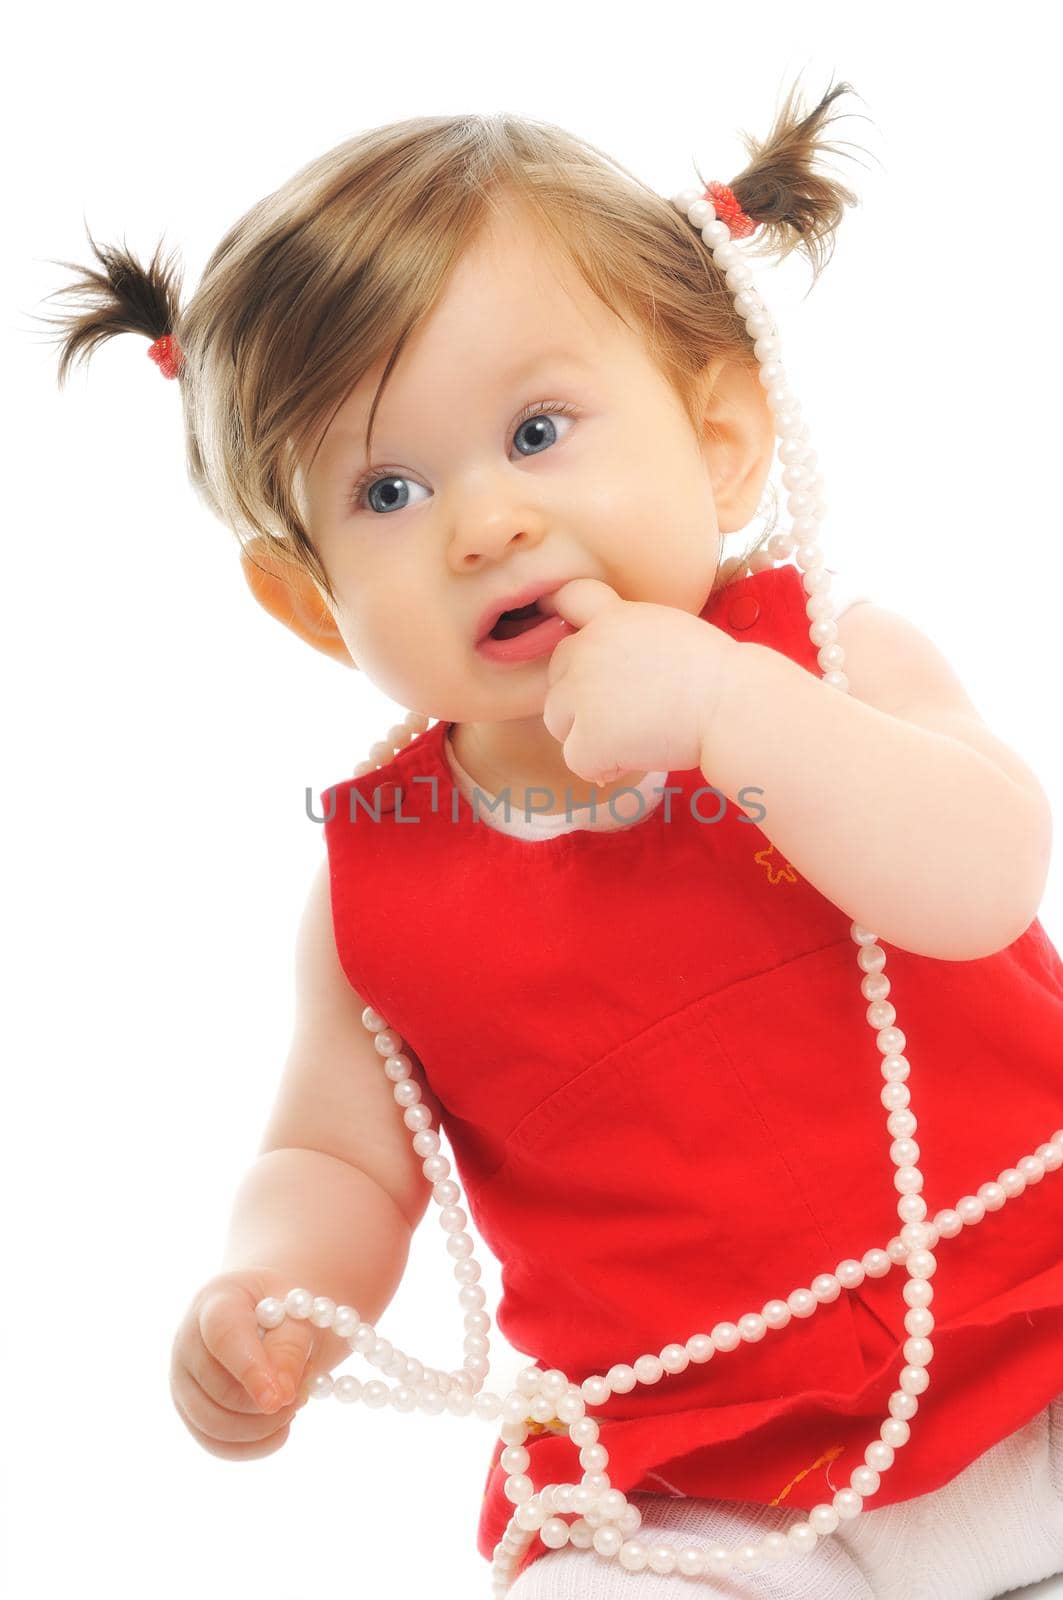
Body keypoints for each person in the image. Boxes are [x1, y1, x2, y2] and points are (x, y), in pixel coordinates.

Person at [39, 76, 1063, 1598]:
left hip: (1030, 1330)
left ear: (718, 438)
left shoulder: (827, 663)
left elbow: (985, 880)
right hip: (697, 1472)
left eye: (537, 429)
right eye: (387, 489)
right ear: (312, 603)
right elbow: (335, 1154)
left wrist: (729, 709)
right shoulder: (377, 879)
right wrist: (277, 1289)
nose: (485, 523)